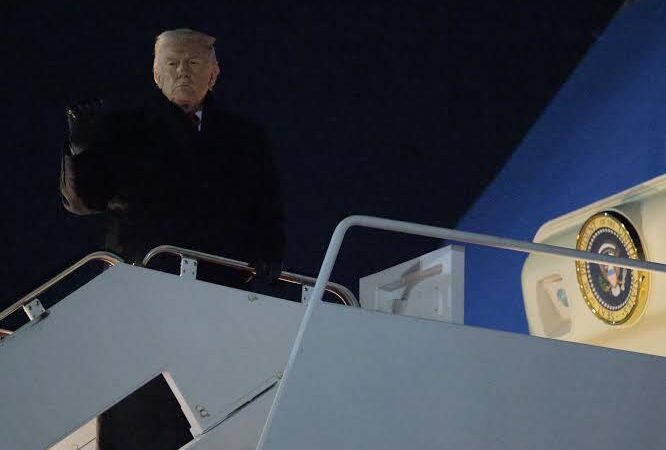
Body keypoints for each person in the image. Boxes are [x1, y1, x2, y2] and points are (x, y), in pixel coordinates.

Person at [60, 28, 285, 449]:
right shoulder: (123, 130)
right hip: (145, 284)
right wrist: (81, 147)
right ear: (155, 73)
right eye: (172, 63)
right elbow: (84, 201)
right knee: (141, 403)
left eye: (193, 62)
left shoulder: (245, 137)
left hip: (220, 288)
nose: (183, 71)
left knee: (217, 399)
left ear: (214, 73)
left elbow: (267, 205)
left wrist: (269, 253)